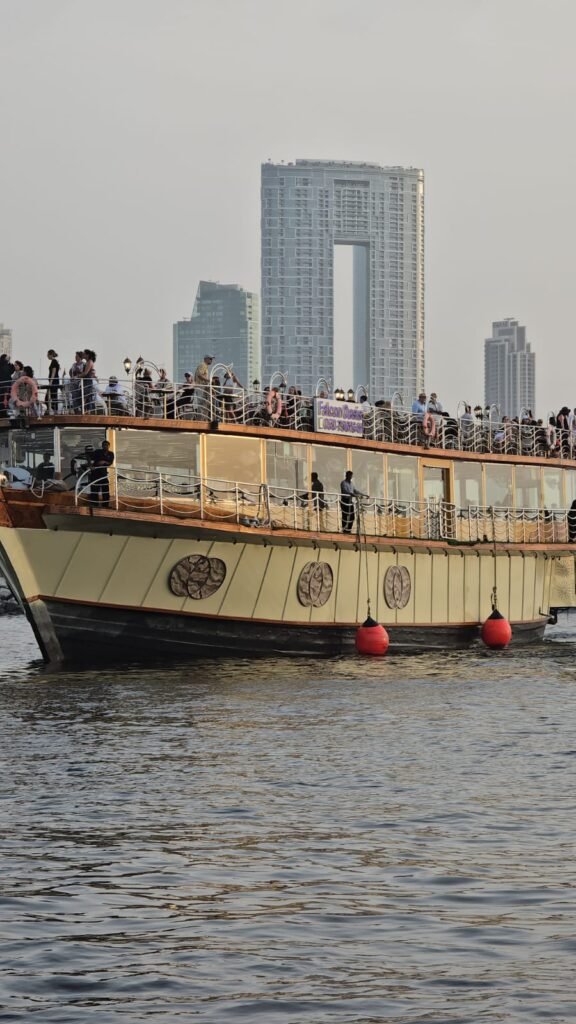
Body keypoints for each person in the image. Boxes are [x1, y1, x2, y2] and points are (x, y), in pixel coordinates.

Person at [90, 440, 114, 506]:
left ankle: (105, 504)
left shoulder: (110, 454)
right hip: (95, 473)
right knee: (95, 489)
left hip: (103, 474)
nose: (105, 446)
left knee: (105, 489)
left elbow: (110, 463)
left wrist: (103, 462)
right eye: (104, 445)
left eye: (106, 445)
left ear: (109, 446)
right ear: (102, 446)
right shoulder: (97, 452)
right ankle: (94, 504)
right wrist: (91, 466)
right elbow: (91, 459)